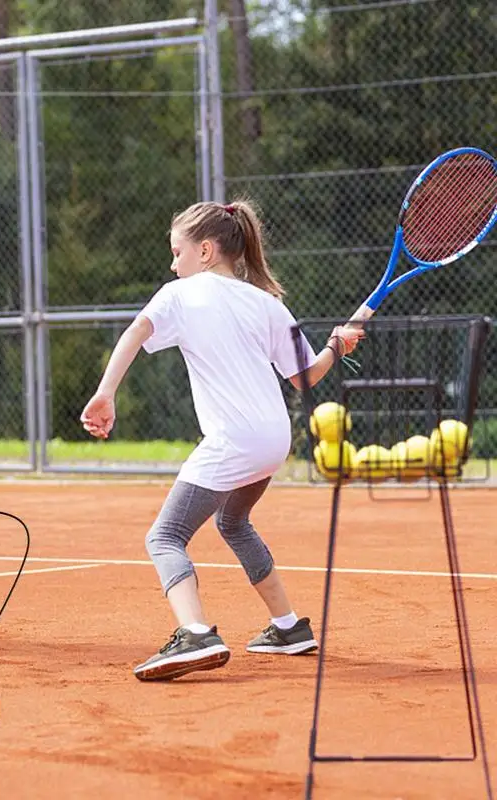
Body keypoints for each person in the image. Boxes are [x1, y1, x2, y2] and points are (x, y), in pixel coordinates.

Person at [80, 199, 363, 681]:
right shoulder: (268, 302)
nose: (173, 264)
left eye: (177, 252)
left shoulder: (180, 293)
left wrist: (105, 393)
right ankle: (288, 626)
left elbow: (135, 332)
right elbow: (306, 378)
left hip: (234, 440)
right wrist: (337, 345)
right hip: (274, 440)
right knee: (233, 522)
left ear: (206, 250)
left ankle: (194, 632)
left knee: (165, 536)